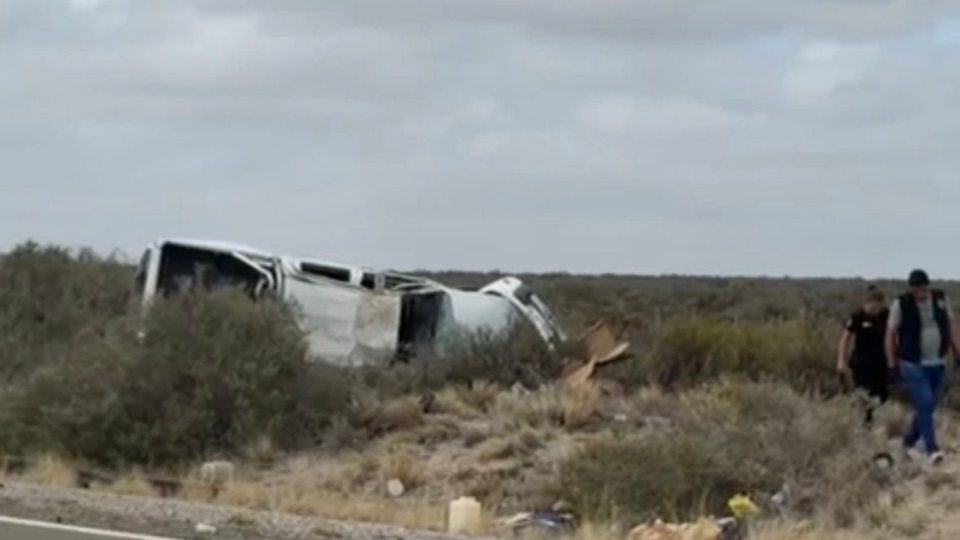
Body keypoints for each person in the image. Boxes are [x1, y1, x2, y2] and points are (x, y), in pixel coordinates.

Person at [884, 269, 959, 464]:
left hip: (938, 361)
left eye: (924, 290)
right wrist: (891, 362)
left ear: (928, 286)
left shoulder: (942, 299)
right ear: (911, 289)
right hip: (912, 362)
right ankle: (931, 448)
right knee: (924, 401)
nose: (921, 294)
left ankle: (908, 441)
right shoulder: (901, 304)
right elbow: (890, 334)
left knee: (929, 404)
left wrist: (957, 351)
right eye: (917, 291)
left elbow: (952, 326)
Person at [836, 285, 890, 426]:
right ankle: (864, 423)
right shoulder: (857, 317)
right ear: (866, 302)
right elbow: (845, 338)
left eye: (878, 303)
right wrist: (841, 360)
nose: (874, 306)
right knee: (863, 394)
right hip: (861, 362)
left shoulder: (887, 317)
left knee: (881, 395)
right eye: (871, 302)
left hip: (881, 362)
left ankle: (879, 422)